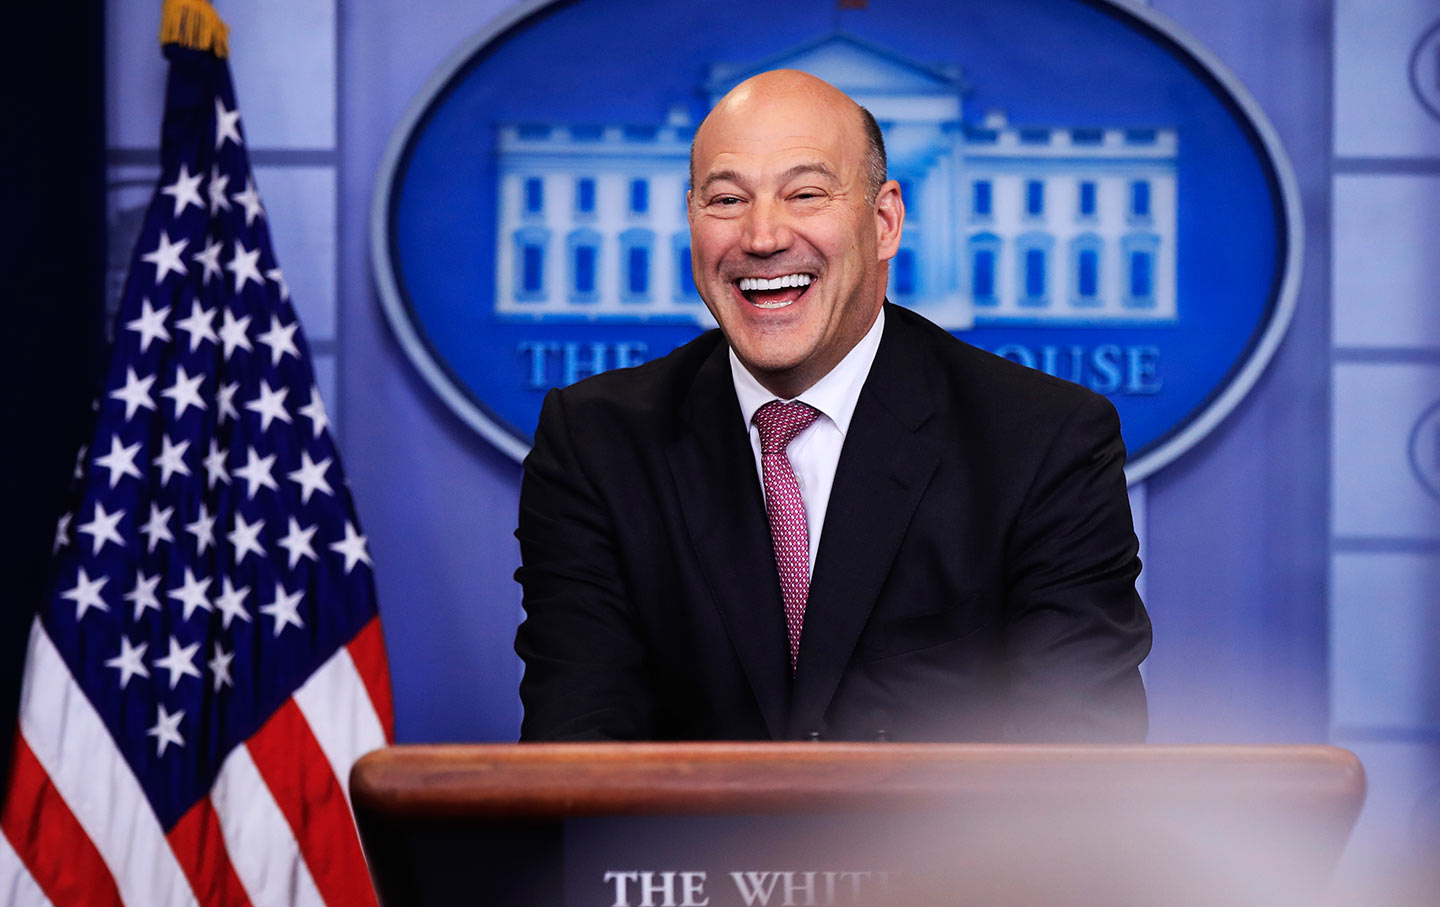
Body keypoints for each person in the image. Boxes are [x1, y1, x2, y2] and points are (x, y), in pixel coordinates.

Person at [514, 69, 1151, 743]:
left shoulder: (1044, 442)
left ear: (884, 222)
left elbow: (1079, 758)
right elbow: (577, 756)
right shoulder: (597, 446)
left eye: (806, 194)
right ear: (692, 220)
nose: (762, 237)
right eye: (727, 200)